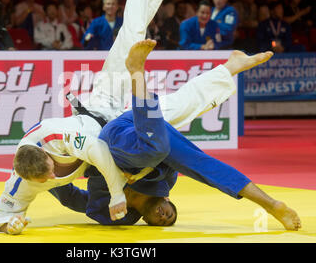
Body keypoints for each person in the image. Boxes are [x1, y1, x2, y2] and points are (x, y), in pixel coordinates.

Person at [0, 0, 181, 235]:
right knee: (175, 114)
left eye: (51, 168)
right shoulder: (22, 180)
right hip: (119, 134)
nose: (54, 175)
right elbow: (0, 217)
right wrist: (10, 225)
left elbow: (100, 151)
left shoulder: (57, 136)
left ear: (48, 153)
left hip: (103, 106)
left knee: (130, 39)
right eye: (48, 178)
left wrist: (118, 195)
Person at [51, 40, 301, 232]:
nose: (163, 216)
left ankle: (229, 66)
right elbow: (187, 159)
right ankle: (145, 74)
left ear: (145, 222)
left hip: (112, 137)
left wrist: (43, 174)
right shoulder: (165, 180)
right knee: (176, 125)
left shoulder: (113, 214)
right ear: (168, 200)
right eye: (169, 215)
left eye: (161, 221)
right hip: (135, 133)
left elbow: (72, 198)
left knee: (174, 135)